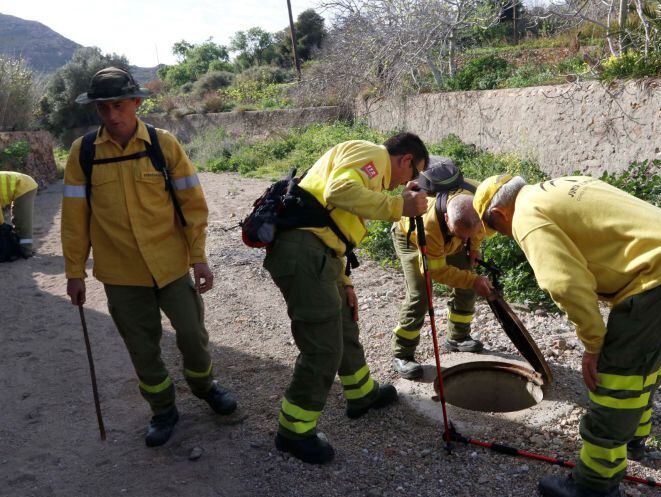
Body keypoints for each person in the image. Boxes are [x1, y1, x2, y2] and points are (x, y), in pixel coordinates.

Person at [472, 174, 661, 497]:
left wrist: (594, 346)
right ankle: (632, 436)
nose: (508, 235)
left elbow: (565, 285)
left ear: (500, 214)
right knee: (646, 361)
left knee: (615, 379)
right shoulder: (557, 186)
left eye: (499, 230)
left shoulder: (527, 215)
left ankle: (593, 486)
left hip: (659, 272)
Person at [61, 67, 237, 448]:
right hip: (121, 275)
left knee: (193, 336)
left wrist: (199, 257)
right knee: (143, 349)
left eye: (119, 105)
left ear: (137, 102)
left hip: (171, 266)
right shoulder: (84, 153)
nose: (112, 115)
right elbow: (75, 218)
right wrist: (74, 272)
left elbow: (193, 205)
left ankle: (205, 387)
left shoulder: (163, 144)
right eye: (103, 108)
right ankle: (163, 409)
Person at [263, 133, 429, 464]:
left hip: (322, 257)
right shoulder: (372, 156)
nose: (405, 184)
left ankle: (361, 394)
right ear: (405, 160)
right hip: (305, 256)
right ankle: (294, 431)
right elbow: (339, 191)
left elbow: (332, 223)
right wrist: (401, 206)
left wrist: (345, 281)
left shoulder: (369, 170)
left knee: (344, 327)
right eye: (411, 176)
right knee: (323, 347)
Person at [391, 157, 494, 379]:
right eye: (459, 233)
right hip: (411, 238)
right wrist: (474, 280)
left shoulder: (479, 201)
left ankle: (457, 337)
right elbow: (436, 271)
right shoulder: (427, 225)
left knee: (467, 277)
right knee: (421, 294)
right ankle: (403, 354)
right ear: (447, 218)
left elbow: (477, 229)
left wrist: (472, 246)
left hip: (458, 232)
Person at [0, 171, 38, 258]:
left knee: (22, 222)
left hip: (24, 186)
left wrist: (1, 224)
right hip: (23, 183)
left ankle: (26, 250)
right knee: (17, 220)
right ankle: (19, 247)